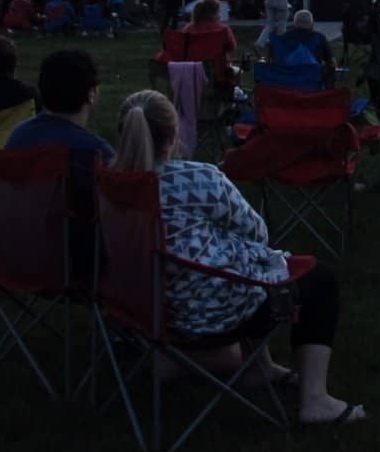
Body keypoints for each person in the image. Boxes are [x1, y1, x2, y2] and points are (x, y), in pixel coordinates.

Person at [114, 90, 365, 426]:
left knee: (234, 260)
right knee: (317, 281)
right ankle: (315, 400)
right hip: (203, 317)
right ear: (174, 137)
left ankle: (259, 368)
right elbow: (257, 231)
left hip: (147, 309)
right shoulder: (198, 178)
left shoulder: (110, 187)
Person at [6, 50, 116, 274]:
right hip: (74, 263)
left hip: (18, 252)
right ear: (92, 94)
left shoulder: (19, 135)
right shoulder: (95, 153)